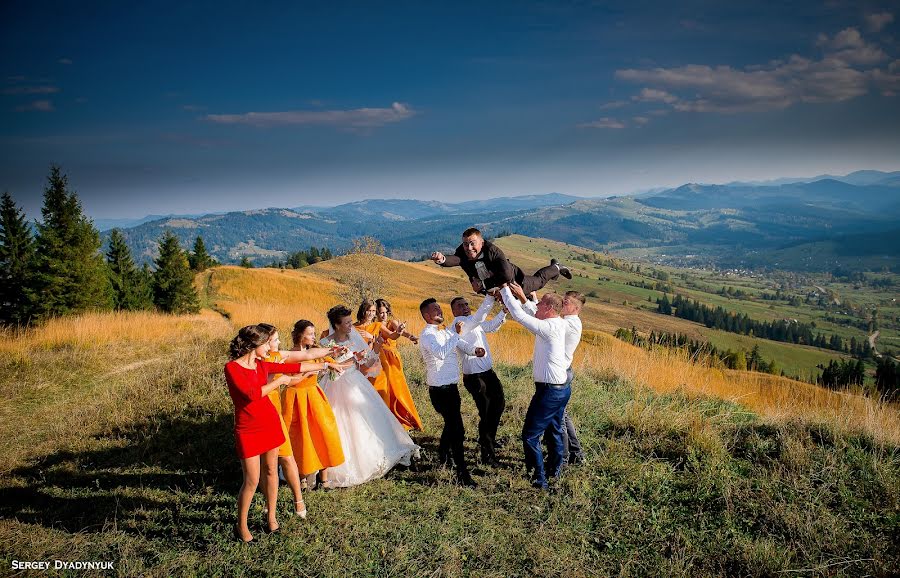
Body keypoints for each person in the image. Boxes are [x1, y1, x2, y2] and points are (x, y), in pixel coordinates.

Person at [224, 325, 346, 543]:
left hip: (270, 423)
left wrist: (326, 363)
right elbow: (251, 395)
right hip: (248, 429)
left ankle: (271, 518)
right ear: (255, 345)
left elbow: (296, 366)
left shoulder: (262, 363)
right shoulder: (232, 368)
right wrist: (279, 381)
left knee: (271, 470)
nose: (271, 348)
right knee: (251, 480)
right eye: (267, 344)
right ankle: (241, 525)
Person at [319, 305, 420, 488]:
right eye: (347, 322)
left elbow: (367, 365)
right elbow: (327, 366)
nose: (351, 325)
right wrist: (352, 359)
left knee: (366, 419)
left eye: (351, 321)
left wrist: (377, 348)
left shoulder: (355, 337)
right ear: (337, 324)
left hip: (355, 383)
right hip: (333, 385)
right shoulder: (325, 342)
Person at [498, 285, 569, 490]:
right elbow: (531, 312)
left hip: (549, 392)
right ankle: (554, 471)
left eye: (540, 303)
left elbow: (520, 316)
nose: (536, 304)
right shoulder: (557, 323)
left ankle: (538, 479)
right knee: (554, 431)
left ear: (548, 308)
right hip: (561, 389)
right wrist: (522, 298)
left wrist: (505, 290)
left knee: (530, 436)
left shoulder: (548, 328)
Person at [507, 284, 587, 465]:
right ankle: (572, 454)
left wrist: (524, 300)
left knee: (558, 421)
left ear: (575, 308)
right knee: (561, 418)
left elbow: (544, 322)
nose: (562, 304)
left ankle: (565, 457)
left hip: (559, 375)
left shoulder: (570, 324)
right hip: (560, 373)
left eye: (565, 302)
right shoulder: (566, 321)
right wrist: (533, 301)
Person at [418, 297, 485, 487]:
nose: (439, 311)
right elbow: (440, 353)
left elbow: (460, 345)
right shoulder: (427, 335)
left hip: (452, 387)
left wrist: (474, 350)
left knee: (451, 423)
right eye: (435, 309)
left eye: (439, 308)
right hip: (440, 390)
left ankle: (443, 455)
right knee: (458, 429)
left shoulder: (446, 331)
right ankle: (462, 474)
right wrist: (455, 334)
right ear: (426, 315)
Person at [282, 320, 347, 492]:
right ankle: (302, 478)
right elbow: (289, 379)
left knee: (323, 432)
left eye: (313, 333)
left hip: (314, 395)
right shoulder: (289, 355)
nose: (313, 336)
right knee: (299, 436)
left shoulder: (315, 352)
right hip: (295, 397)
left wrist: (353, 357)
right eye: (310, 334)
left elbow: (335, 363)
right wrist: (309, 373)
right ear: (299, 335)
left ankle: (323, 479)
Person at [450, 294, 506, 465]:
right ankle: (487, 454)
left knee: (498, 405)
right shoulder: (458, 324)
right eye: (460, 305)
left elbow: (489, 326)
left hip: (488, 373)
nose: (465, 307)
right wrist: (490, 298)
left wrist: (503, 312)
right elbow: (480, 318)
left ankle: (488, 440)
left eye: (466, 304)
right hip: (475, 377)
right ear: (453, 311)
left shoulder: (473, 322)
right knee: (487, 412)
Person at [430, 227, 572, 294]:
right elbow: (457, 259)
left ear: (482, 242)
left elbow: (506, 275)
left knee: (538, 282)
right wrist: (442, 259)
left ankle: (556, 267)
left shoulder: (493, 252)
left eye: (473, 243)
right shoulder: (463, 250)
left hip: (515, 281)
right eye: (466, 243)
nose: (469, 247)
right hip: (492, 288)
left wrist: (483, 284)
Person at [373, 298, 424, 430]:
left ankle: (404, 416)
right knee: (384, 386)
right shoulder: (374, 325)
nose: (382, 315)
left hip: (392, 358)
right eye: (379, 312)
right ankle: (386, 415)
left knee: (396, 386)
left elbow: (398, 333)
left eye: (384, 312)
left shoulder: (391, 322)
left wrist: (410, 336)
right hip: (379, 358)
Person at [353, 299, 389, 403]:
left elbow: (391, 336)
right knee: (363, 397)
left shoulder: (377, 325)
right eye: (369, 310)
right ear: (363, 311)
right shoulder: (353, 327)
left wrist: (400, 332)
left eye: (373, 311)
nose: (371, 313)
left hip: (375, 365)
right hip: (360, 365)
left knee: (379, 395)